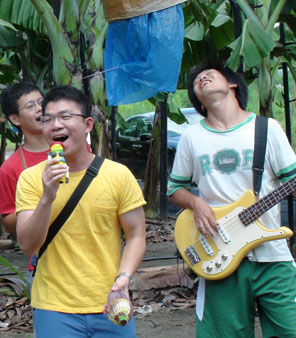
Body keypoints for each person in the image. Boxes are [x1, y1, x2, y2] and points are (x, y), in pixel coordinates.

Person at [168, 62, 296, 337]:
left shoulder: (267, 128)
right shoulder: (192, 137)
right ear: (197, 100)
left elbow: (291, 182)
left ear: (232, 84)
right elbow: (174, 189)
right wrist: (197, 203)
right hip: (218, 257)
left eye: (209, 74)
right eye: (196, 80)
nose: (202, 78)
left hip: (272, 255)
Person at [15, 85, 146, 337]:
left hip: (110, 301)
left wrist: (124, 278)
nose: (56, 125)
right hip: (54, 307)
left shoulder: (118, 175)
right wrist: (47, 196)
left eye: (65, 116)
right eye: (48, 119)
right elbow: (28, 244)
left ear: (87, 124)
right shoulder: (31, 179)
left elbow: (136, 235)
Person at [0, 82, 50, 289]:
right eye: (30, 106)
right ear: (15, 118)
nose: (39, 108)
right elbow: (9, 222)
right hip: (43, 265)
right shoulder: (12, 167)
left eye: (41, 102)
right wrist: (43, 205)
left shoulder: (73, 149)